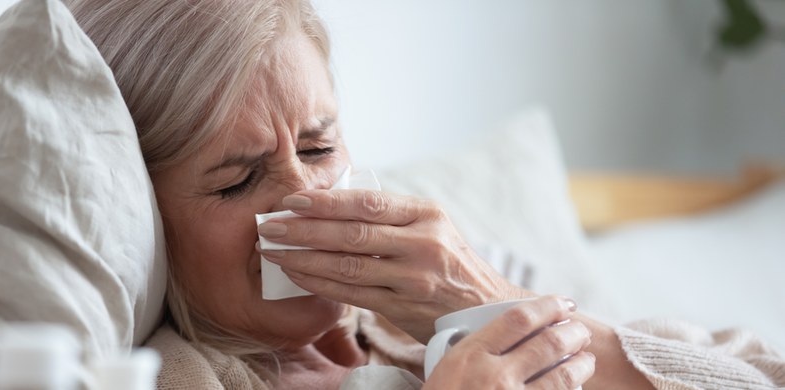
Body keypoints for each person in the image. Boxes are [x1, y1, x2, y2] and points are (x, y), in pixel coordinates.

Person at [68, 0, 785, 389]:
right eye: (237, 179)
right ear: (149, 214)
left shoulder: (465, 280)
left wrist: (495, 304)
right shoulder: (173, 379)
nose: (304, 197)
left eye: (319, 147)